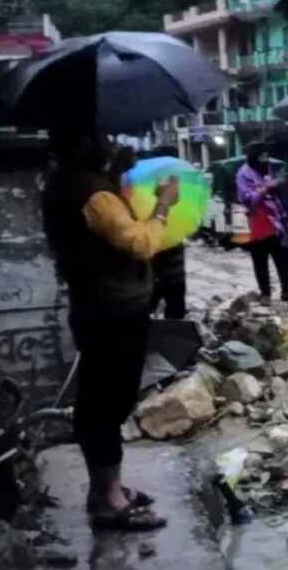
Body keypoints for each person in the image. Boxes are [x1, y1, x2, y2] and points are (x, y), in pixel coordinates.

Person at [41, 125, 177, 531]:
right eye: (102, 137)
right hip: (112, 311)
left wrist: (116, 177)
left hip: (100, 306)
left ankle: (106, 487)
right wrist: (164, 205)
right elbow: (139, 242)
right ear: (83, 142)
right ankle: (110, 501)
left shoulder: (73, 184)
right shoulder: (91, 194)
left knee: (104, 400)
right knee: (106, 405)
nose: (111, 143)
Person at [236, 142, 288, 303]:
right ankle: (265, 293)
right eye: (261, 156)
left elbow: (279, 191)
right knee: (260, 259)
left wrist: (279, 186)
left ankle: (286, 290)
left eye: (266, 156)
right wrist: (266, 189)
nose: (265, 159)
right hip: (257, 221)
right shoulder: (244, 174)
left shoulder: (269, 169)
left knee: (283, 256)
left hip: (276, 221)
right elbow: (246, 198)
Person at [146, 145, 188, 319]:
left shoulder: (180, 184)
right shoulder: (145, 187)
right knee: (150, 305)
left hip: (171, 255)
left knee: (175, 306)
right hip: (152, 253)